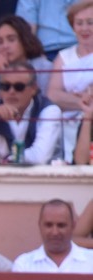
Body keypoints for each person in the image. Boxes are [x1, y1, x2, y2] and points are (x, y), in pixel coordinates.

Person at [46, 0, 93, 162]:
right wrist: (80, 101)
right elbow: (53, 94)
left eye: (90, 23)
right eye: (79, 23)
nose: (84, 28)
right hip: (68, 129)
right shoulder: (63, 57)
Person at [12, 199, 93, 273]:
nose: (55, 232)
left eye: (61, 225)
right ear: (40, 226)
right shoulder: (24, 265)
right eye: (49, 225)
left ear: (73, 226)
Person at [0, 15, 51, 102]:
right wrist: (1, 75)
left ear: (24, 40)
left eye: (11, 40)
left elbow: (44, 102)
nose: (5, 46)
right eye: (0, 42)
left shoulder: (43, 66)